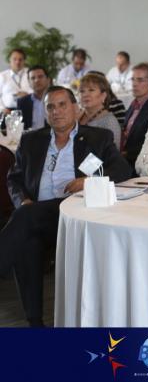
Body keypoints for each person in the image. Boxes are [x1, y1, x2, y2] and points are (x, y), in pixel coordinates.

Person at [0, 86, 132, 326]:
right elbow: (14, 179)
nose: (56, 111)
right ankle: (35, 323)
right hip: (36, 214)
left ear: (75, 107)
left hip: (74, 214)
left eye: (62, 105)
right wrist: (23, 201)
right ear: (45, 112)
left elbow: (123, 170)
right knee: (27, 241)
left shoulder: (97, 138)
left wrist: (89, 181)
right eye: (50, 106)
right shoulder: (31, 140)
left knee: (25, 221)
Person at [78, 73, 122, 148]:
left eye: (91, 90)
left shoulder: (109, 122)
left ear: (103, 95)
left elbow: (111, 153)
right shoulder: (77, 116)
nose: (85, 94)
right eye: (82, 91)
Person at [17, 65, 49, 130]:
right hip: (30, 135)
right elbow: (20, 127)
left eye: (40, 77)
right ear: (29, 82)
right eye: (33, 78)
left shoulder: (55, 99)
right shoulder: (22, 102)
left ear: (48, 80)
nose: (37, 80)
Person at [0, 48, 31, 113]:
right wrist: (2, 109)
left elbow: (38, 91)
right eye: (14, 59)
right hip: (8, 111)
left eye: (20, 59)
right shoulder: (2, 76)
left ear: (24, 61)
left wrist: (28, 95)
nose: (17, 62)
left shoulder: (31, 73)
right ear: (10, 60)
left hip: (29, 109)